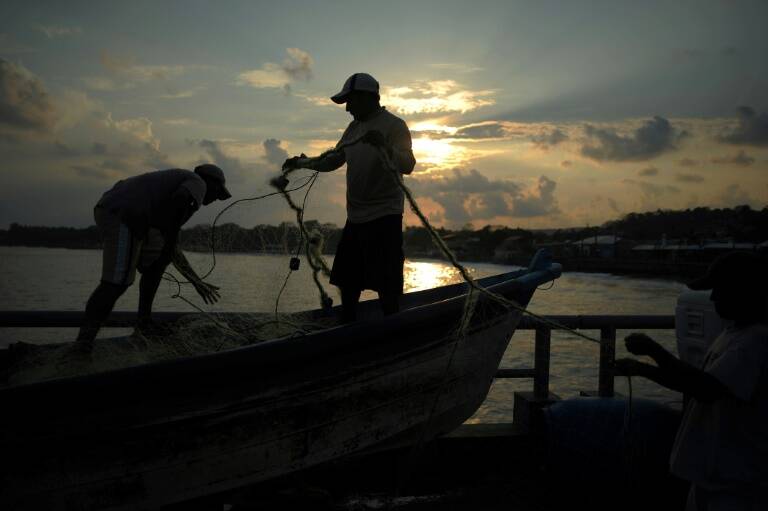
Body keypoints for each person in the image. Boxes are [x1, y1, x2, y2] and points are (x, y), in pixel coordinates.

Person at [615, 251, 768, 510]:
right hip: (713, 478)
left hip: (738, 485)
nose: (713, 297)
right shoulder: (734, 333)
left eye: (720, 290)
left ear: (745, 291)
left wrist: (654, 351)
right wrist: (641, 369)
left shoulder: (756, 341)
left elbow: (706, 388)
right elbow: (698, 382)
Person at [282, 72, 416, 322]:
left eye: (350, 102)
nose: (347, 109)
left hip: (385, 215)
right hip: (356, 216)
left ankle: (392, 329)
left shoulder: (394, 125)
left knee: (386, 284)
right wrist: (301, 162)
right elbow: (333, 159)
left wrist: (385, 147)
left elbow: (408, 164)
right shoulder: (353, 128)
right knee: (347, 280)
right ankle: (348, 325)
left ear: (367, 98)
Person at [76, 165, 232, 347]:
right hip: (123, 212)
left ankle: (143, 322)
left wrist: (195, 281)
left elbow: (171, 250)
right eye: (217, 191)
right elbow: (180, 200)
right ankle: (82, 346)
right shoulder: (197, 183)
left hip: (127, 211)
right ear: (210, 182)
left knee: (156, 265)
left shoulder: (164, 201)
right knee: (116, 283)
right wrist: (169, 244)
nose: (215, 199)